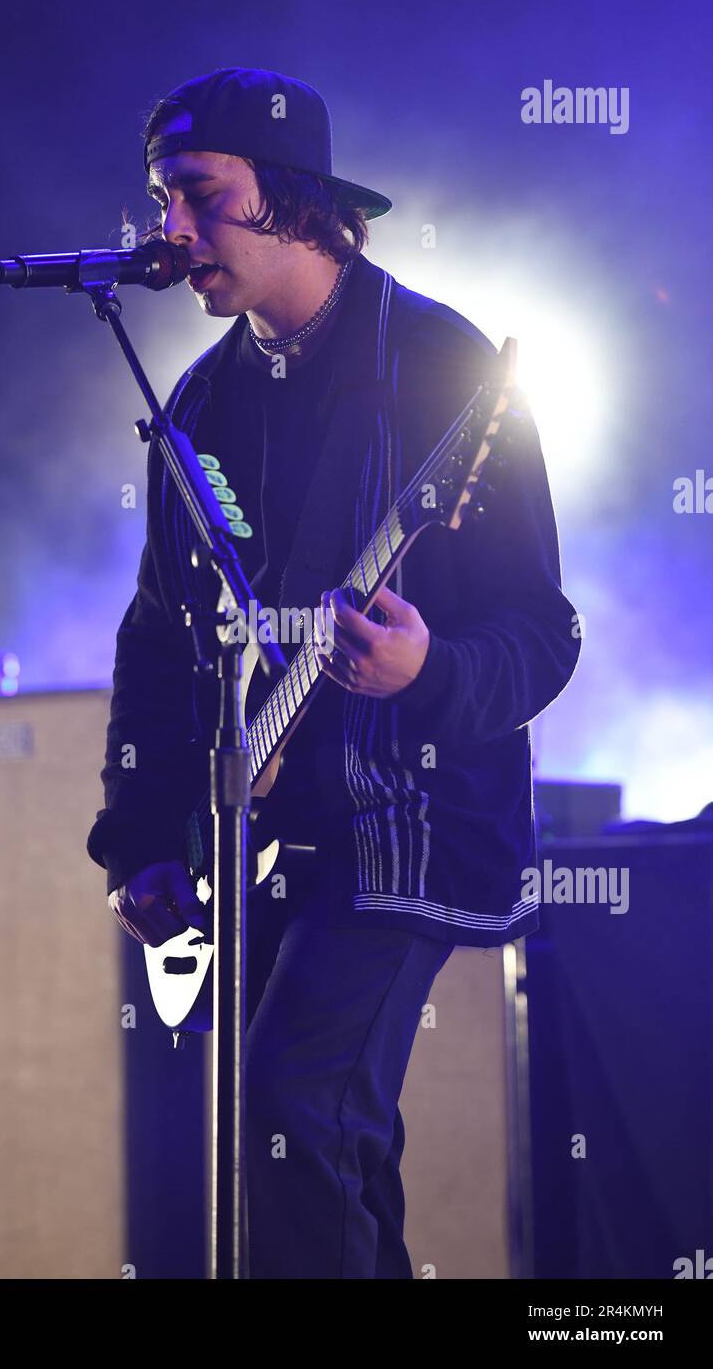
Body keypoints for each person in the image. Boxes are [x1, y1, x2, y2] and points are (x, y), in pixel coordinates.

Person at [86, 66, 582, 1279]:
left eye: (201, 196)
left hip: (407, 821)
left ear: (299, 205)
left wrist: (422, 668)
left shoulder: (442, 367)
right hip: (263, 836)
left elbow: (540, 630)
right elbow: (161, 632)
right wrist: (145, 829)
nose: (172, 233)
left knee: (284, 1111)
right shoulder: (199, 406)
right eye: (161, 201)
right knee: (320, 1142)